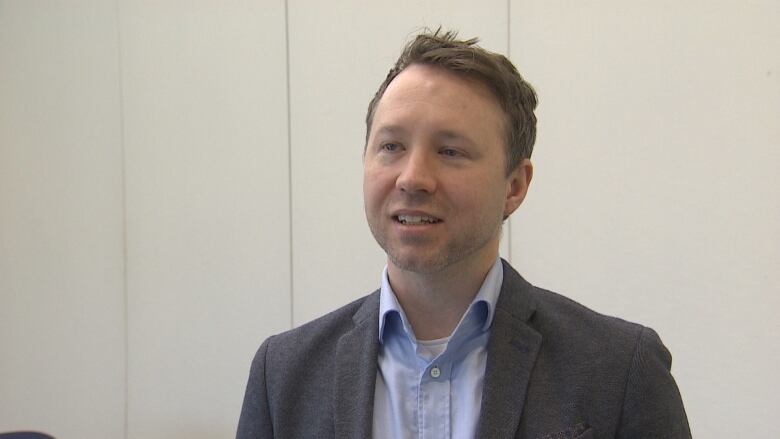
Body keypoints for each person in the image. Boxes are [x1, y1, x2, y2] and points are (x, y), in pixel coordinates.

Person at [236, 29, 690, 439]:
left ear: (515, 186)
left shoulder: (620, 370)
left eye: (450, 151)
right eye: (391, 146)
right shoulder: (284, 376)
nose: (412, 178)